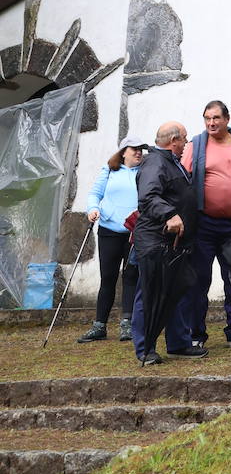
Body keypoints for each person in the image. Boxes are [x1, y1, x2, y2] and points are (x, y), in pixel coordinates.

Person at [181, 99, 231, 348]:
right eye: (207, 118)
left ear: (227, 119)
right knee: (198, 279)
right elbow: (183, 182)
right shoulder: (196, 145)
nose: (211, 123)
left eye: (216, 118)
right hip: (203, 223)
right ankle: (196, 334)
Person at [130, 122, 203, 365]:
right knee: (150, 293)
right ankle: (145, 348)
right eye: (184, 139)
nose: (186, 144)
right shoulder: (155, 163)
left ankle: (179, 343)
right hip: (155, 239)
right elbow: (148, 197)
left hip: (173, 242)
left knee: (177, 289)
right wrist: (170, 214)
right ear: (173, 141)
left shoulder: (171, 162)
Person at [77, 136, 147, 344]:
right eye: (134, 149)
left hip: (134, 232)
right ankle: (100, 325)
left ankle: (127, 324)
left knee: (131, 276)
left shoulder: (145, 173)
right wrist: (93, 209)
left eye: (141, 150)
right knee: (107, 277)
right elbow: (94, 194)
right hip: (109, 230)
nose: (138, 153)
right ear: (123, 151)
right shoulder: (109, 170)